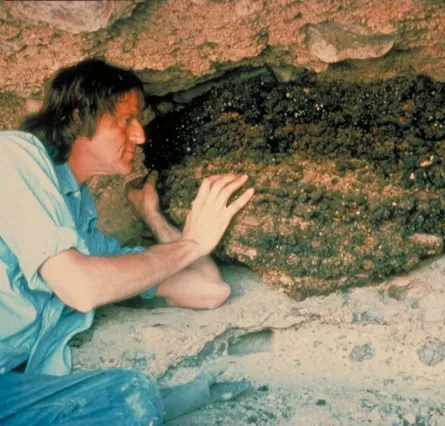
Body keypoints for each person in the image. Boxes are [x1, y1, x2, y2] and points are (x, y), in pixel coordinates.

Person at [0, 58, 255, 425]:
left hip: (10, 392)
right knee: (129, 399)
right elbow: (81, 287)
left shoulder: (80, 228)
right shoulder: (15, 157)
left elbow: (208, 290)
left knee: (124, 397)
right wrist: (193, 243)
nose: (140, 136)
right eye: (125, 120)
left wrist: (153, 218)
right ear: (76, 117)